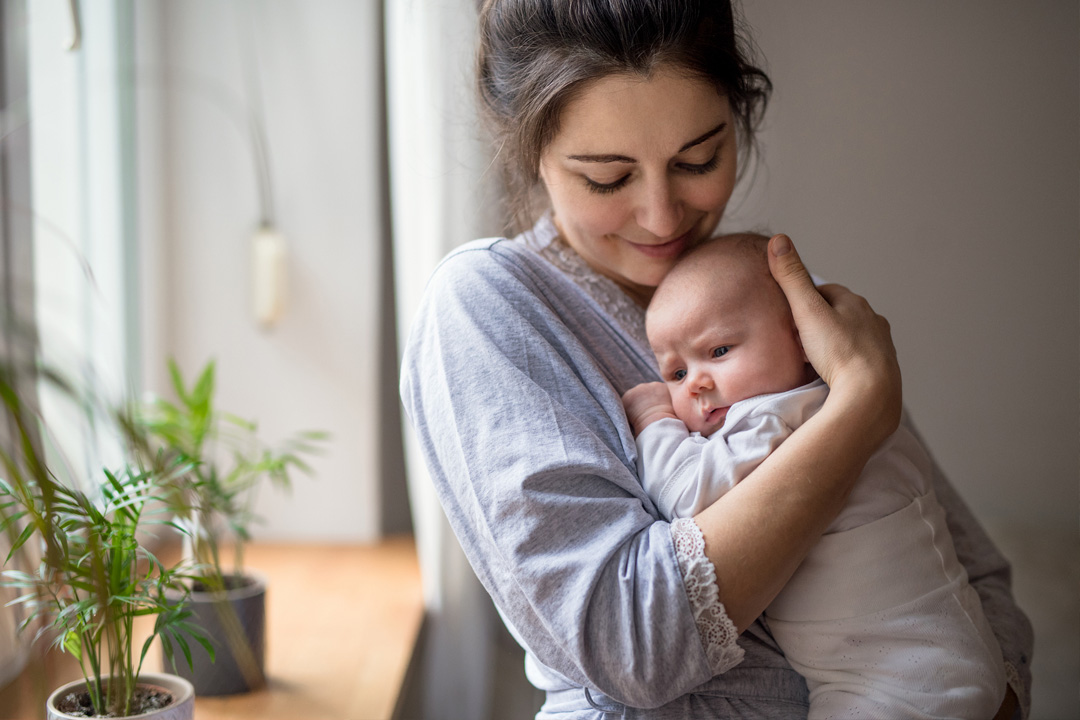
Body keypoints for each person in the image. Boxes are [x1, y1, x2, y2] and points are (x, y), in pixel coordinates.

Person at [400, 1, 1033, 717]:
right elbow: (629, 646)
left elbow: (974, 573)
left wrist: (981, 694)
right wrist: (856, 411)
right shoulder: (486, 304)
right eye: (608, 179)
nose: (663, 217)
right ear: (526, 150)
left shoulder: (759, 289)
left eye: (698, 159)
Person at [623, 235, 1007, 718]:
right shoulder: (831, 406)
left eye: (719, 349)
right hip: (918, 661)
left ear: (803, 338)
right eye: (675, 374)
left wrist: (655, 423)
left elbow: (687, 495)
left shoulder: (779, 417)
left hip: (898, 674)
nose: (696, 382)